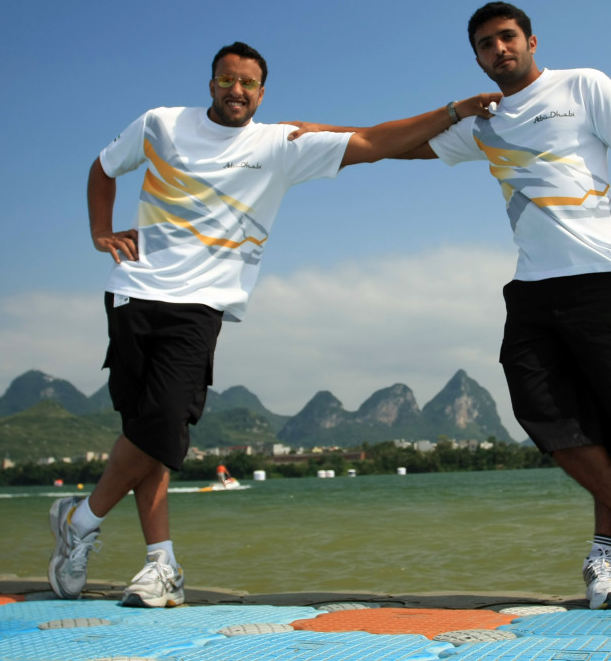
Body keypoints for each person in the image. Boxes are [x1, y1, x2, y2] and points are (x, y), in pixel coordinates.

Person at [48, 40, 497, 607]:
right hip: (133, 291)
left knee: (160, 424)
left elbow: (373, 142)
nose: (236, 90)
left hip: (200, 304)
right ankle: (161, 564)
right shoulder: (160, 124)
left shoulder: (278, 145)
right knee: (148, 433)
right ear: (211, 83)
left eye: (248, 83)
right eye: (226, 79)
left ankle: (81, 521)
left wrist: (453, 112)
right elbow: (102, 167)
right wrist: (100, 231)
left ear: (262, 93)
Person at [298, 2, 611, 608]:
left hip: (599, 275)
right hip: (532, 285)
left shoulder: (583, 86)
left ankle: (605, 558)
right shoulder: (484, 122)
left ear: (532, 41)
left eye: (507, 37)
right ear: (478, 59)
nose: (499, 49)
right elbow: (387, 145)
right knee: (542, 412)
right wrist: (313, 132)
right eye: (485, 44)